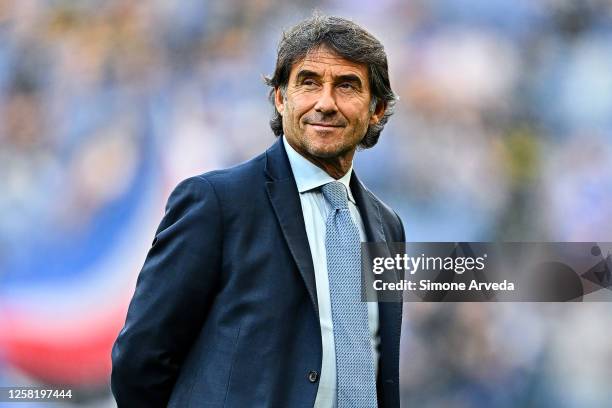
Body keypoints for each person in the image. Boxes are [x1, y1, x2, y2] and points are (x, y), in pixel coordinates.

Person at [111, 14, 405, 408]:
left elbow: (381, 367)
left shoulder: (387, 226)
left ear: (376, 109)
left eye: (347, 86)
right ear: (281, 99)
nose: (325, 102)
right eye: (308, 82)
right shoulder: (216, 202)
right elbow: (139, 362)